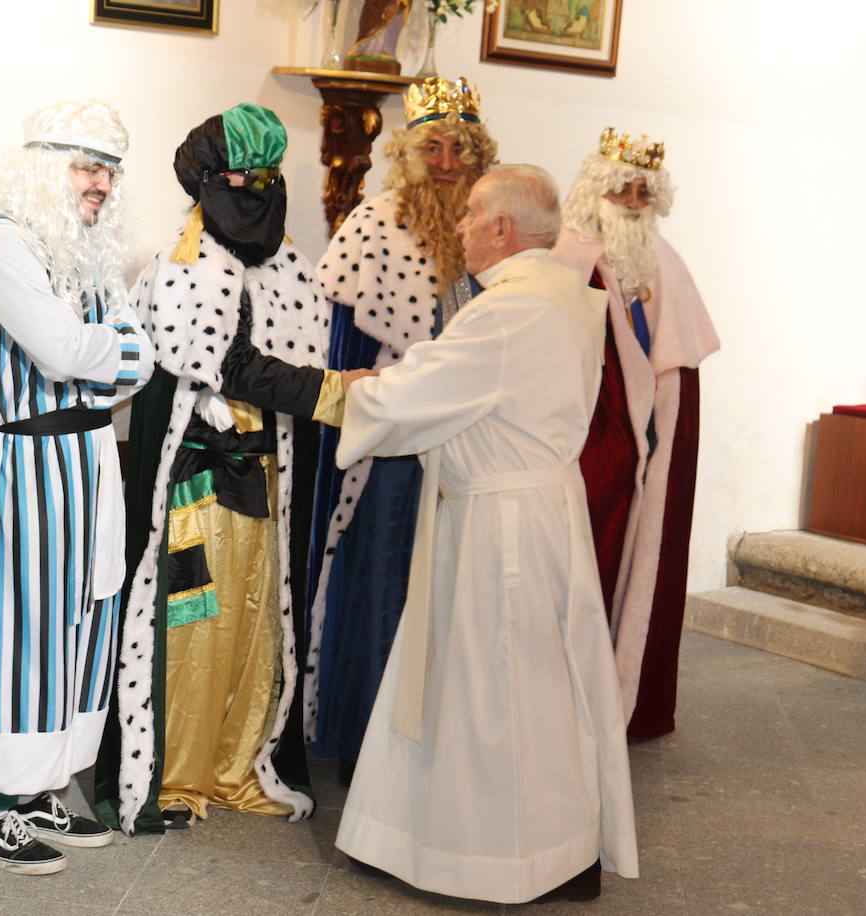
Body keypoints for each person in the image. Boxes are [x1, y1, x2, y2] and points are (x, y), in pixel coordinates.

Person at [334, 165, 638, 904]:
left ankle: (506, 857)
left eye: (473, 213)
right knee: (525, 686)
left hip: (501, 526)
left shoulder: (509, 311)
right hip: (538, 514)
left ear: (503, 228)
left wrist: (319, 386)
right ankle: (498, 841)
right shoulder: (565, 296)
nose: (462, 226)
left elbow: (413, 393)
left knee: (494, 690)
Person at [95, 104, 363, 836]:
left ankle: (239, 762)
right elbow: (228, 364)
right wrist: (333, 393)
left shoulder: (286, 264)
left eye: (271, 174)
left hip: (264, 480)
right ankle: (173, 772)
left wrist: (324, 392)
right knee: (192, 621)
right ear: (211, 179)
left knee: (254, 627)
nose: (259, 188)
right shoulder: (184, 265)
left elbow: (292, 354)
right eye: (245, 175)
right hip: (196, 486)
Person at [0, 99, 152, 875]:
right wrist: (107, 355)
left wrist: (101, 357)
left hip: (92, 459)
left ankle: (38, 790)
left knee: (83, 622)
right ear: (41, 167)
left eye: (108, 169)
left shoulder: (87, 255)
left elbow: (135, 357)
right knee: (24, 630)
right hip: (29, 464)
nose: (99, 183)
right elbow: (65, 349)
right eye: (84, 165)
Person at [306, 76, 497, 782]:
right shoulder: (373, 220)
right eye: (434, 147)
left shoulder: (492, 230)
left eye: (460, 149)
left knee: (454, 587)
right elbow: (344, 350)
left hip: (471, 437)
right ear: (410, 154)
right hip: (395, 438)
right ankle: (370, 742)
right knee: (387, 578)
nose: (447, 162)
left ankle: (442, 745)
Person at [553, 128, 720, 741]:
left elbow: (678, 358)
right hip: (594, 432)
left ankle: (638, 695)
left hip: (652, 426)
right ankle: (571, 698)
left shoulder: (663, 258)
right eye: (621, 186)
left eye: (643, 190)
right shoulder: (567, 253)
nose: (631, 199)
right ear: (596, 188)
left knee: (648, 550)